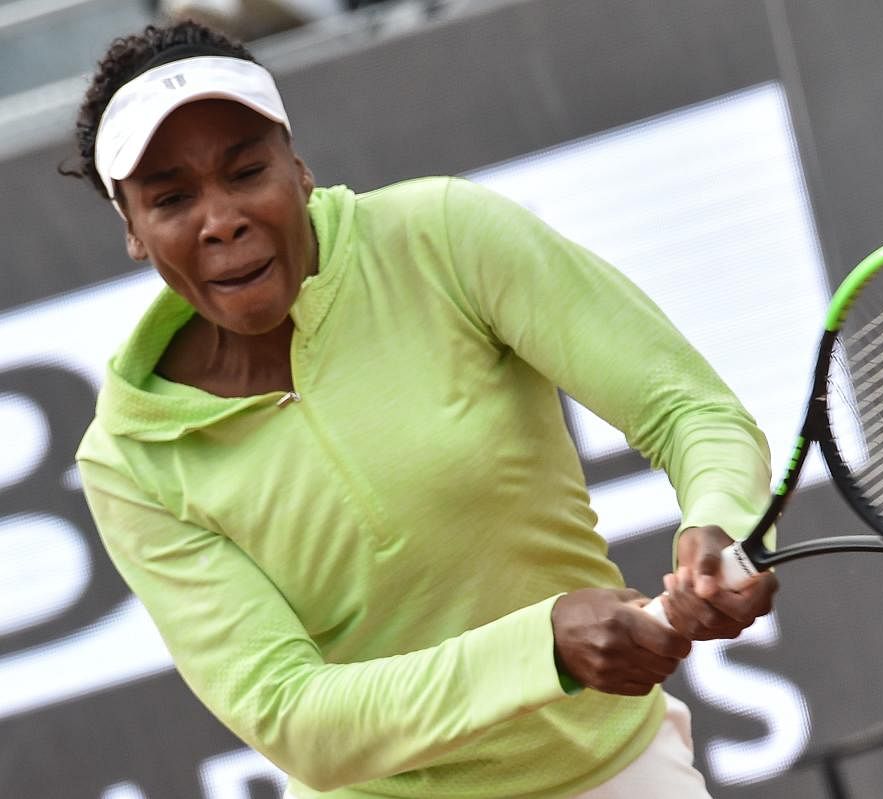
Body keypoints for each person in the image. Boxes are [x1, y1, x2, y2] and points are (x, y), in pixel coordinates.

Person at [67, 20, 778, 799]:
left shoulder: (443, 234)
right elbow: (295, 718)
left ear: (298, 168)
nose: (221, 217)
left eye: (246, 171)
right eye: (171, 197)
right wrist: (541, 648)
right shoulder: (128, 459)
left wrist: (720, 525)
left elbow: (690, 412)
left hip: (615, 770)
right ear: (133, 230)